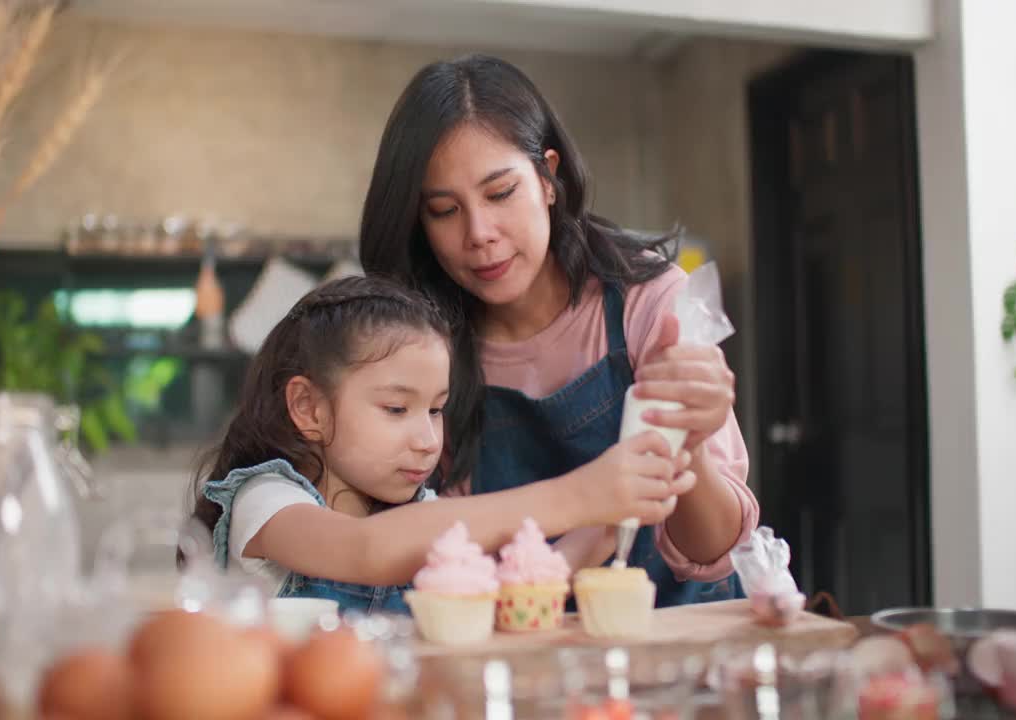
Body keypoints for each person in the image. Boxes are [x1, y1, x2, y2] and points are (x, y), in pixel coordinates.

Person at [358, 54, 757, 607]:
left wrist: (687, 450)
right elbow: (433, 551)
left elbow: (711, 549)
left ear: (548, 178)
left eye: (500, 194)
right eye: (445, 210)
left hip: (678, 646)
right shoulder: (425, 348)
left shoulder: (649, 303)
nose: (480, 234)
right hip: (520, 648)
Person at [184, 275, 695, 613]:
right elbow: (369, 551)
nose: (428, 440)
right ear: (308, 408)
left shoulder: (422, 514)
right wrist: (578, 495)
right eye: (396, 409)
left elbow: (500, 599)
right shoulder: (268, 502)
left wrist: (604, 525)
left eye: (435, 410)